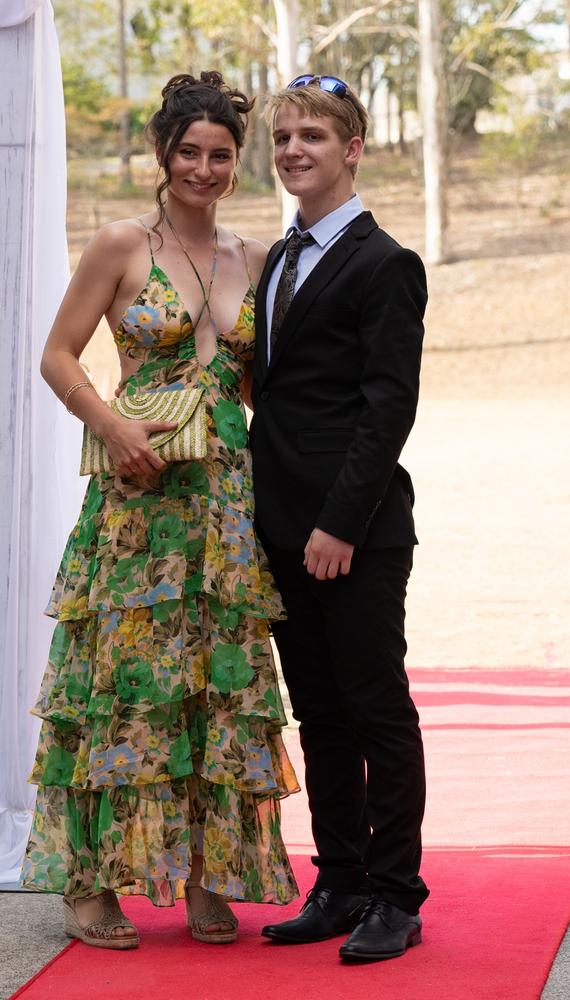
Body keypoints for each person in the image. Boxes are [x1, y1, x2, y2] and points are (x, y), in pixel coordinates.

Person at [21, 71, 299, 950]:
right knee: (123, 690)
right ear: (162, 153)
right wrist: (110, 421)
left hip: (221, 504)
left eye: (221, 155)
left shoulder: (256, 258)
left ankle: (208, 876)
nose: (206, 169)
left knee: (214, 690)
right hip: (137, 506)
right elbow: (58, 355)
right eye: (191, 152)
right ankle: (91, 884)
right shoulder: (119, 244)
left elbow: (258, 384)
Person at [250, 75, 429, 961]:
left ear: (351, 149)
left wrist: (341, 522)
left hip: (353, 530)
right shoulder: (279, 259)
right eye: (283, 136)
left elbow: (387, 407)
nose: (293, 150)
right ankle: (343, 880)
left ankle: (398, 895)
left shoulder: (386, 263)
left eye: (312, 137)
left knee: (375, 709)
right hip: (279, 524)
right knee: (318, 713)